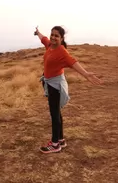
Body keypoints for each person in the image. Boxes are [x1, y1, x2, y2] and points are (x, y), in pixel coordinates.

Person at [34, 25, 101, 153]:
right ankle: (60, 139)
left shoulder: (62, 52)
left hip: (55, 86)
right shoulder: (49, 45)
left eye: (56, 36)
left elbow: (73, 62)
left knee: (54, 114)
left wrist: (86, 74)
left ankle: (54, 144)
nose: (53, 37)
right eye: (52, 34)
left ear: (61, 38)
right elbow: (43, 39)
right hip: (49, 83)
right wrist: (38, 33)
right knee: (56, 112)